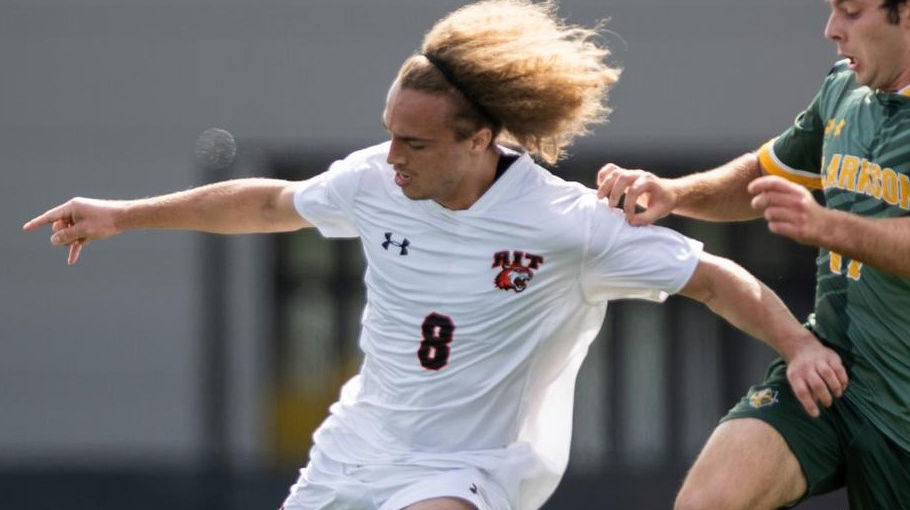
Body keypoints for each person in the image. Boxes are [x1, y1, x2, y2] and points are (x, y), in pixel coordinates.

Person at [23, 1, 847, 509]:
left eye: (413, 141)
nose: (392, 156)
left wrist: (799, 344)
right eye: (388, 132)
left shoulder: (569, 224)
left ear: (482, 138)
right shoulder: (377, 181)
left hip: (470, 469)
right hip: (355, 449)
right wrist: (122, 215)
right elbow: (269, 202)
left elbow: (711, 278)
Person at [596, 0, 910, 508]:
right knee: (707, 502)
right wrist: (676, 193)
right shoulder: (843, 90)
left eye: (851, 12)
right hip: (832, 376)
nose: (832, 30)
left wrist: (829, 225)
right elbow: (762, 176)